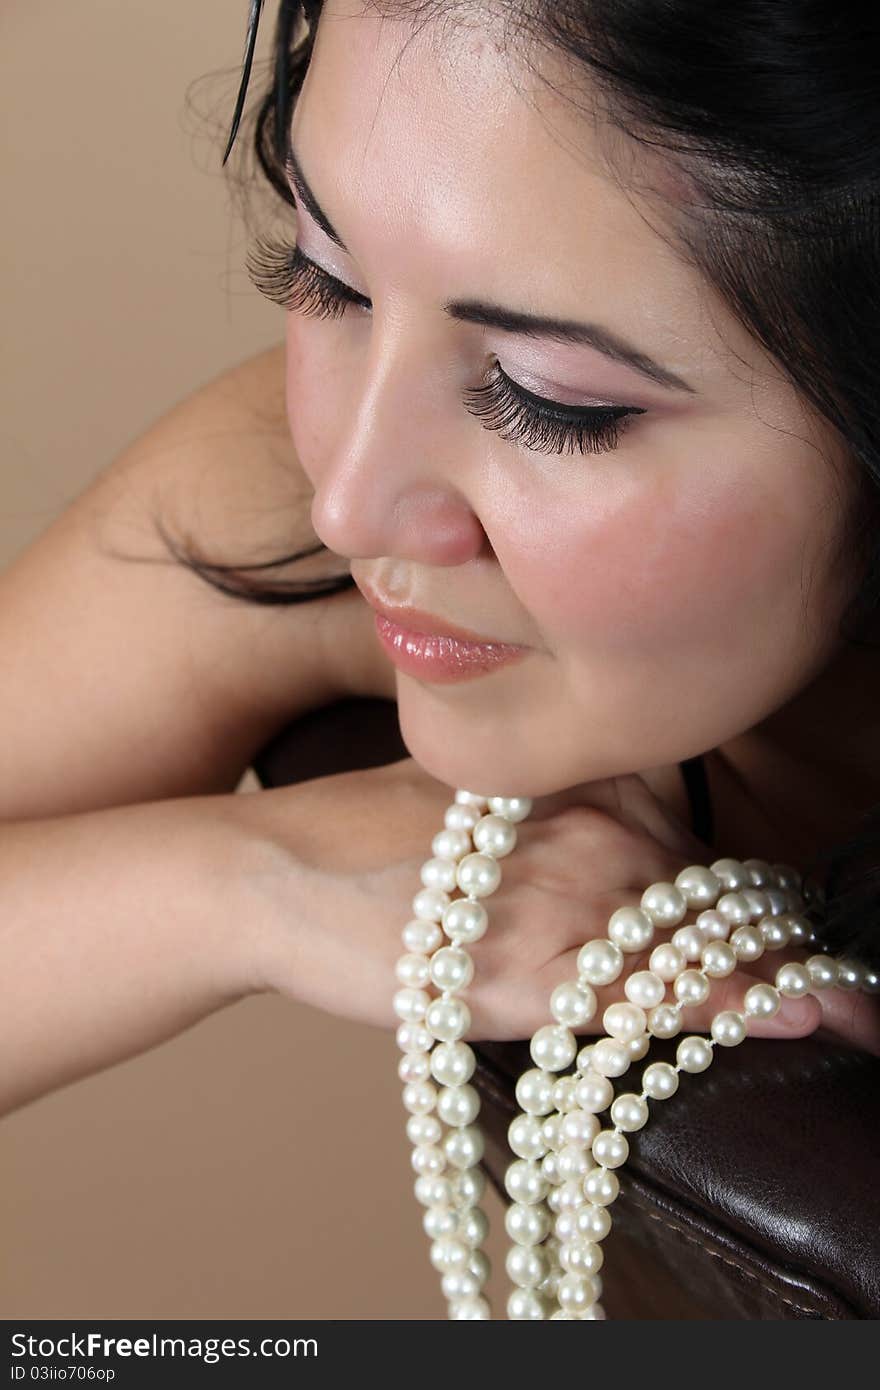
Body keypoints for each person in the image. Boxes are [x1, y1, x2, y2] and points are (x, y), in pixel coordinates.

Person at [2, 0, 879, 1122]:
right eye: (329, 281)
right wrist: (252, 884)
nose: (346, 504)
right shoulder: (277, 489)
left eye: (547, 397)